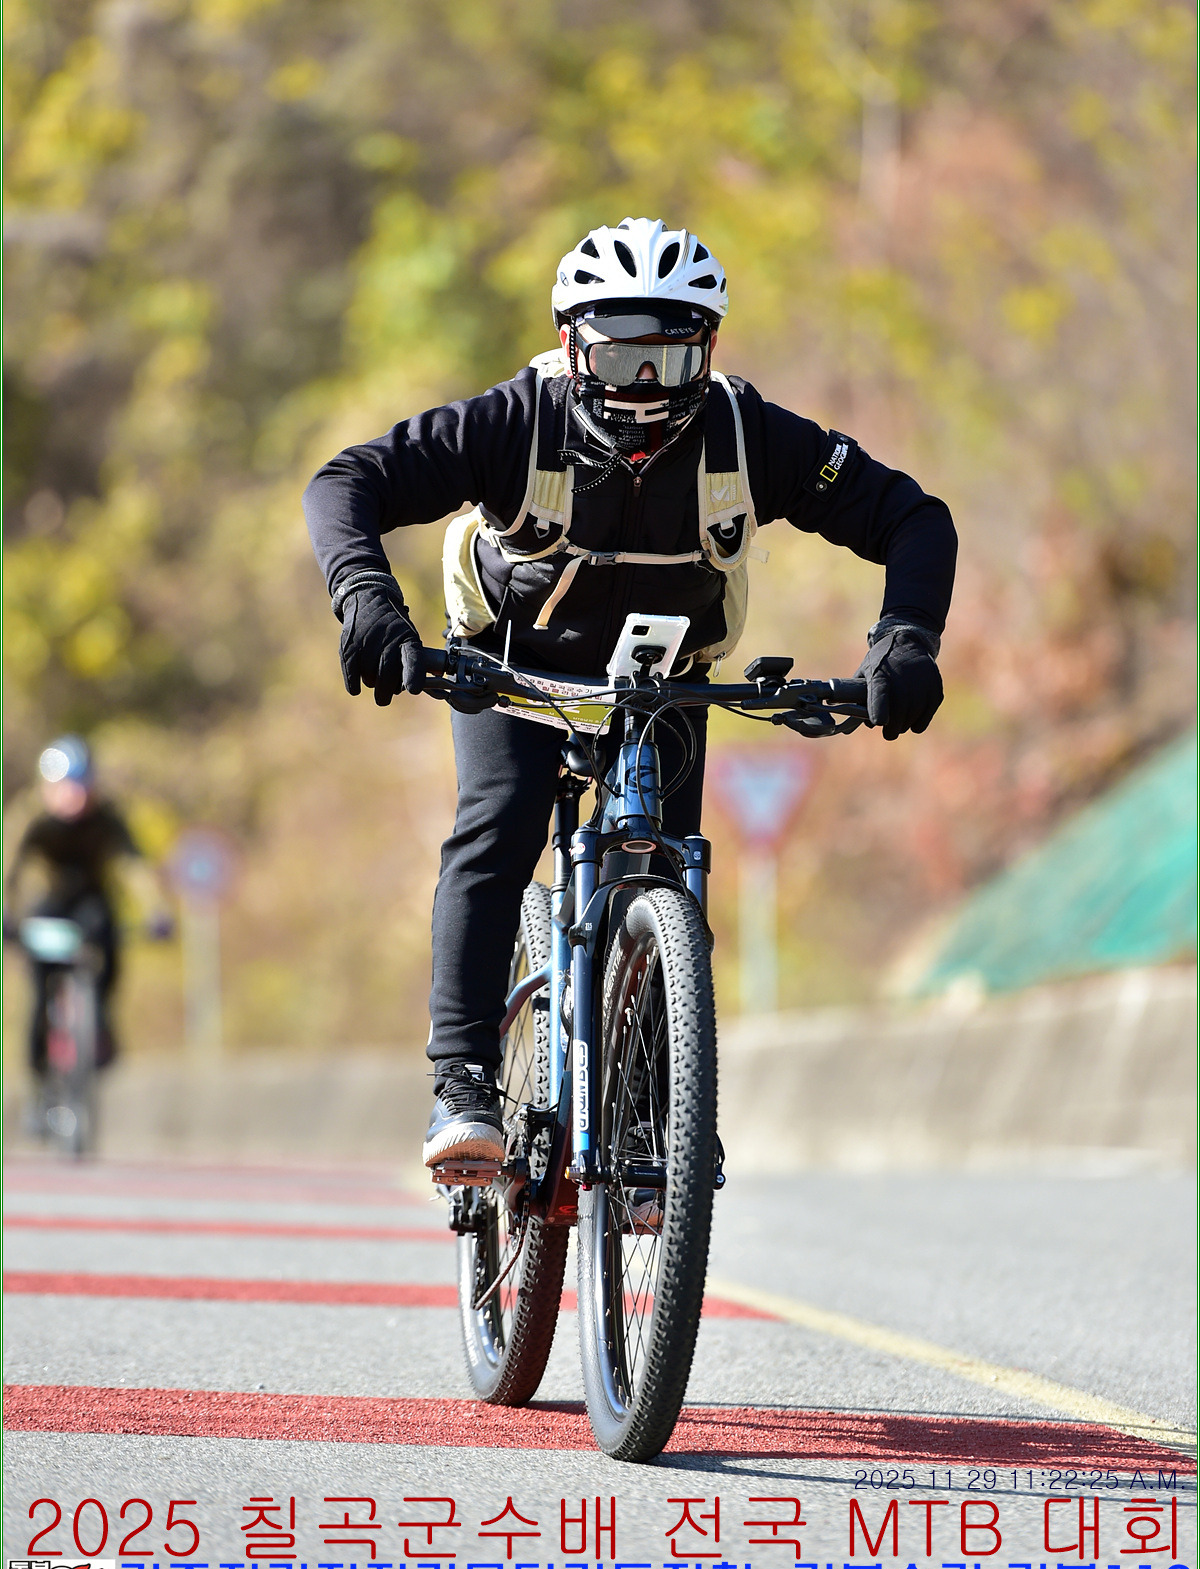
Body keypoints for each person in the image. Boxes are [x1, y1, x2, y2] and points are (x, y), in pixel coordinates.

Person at [303, 217, 957, 1172]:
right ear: (571, 344)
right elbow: (347, 481)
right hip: (515, 667)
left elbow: (913, 518)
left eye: (670, 357)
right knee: (500, 827)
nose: (642, 387)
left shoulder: (750, 435)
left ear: (710, 349)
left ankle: (655, 1123)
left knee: (666, 876)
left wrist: (906, 637)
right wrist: (367, 598)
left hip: (664, 682)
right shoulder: (514, 423)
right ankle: (464, 1087)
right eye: (617, 356)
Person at [4, 735, 172, 1076]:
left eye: (81, 786)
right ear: (47, 788)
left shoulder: (107, 817)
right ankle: (39, 1064)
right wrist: (7, 914)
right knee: (39, 985)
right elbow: (9, 866)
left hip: (92, 900)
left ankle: (99, 1027)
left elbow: (133, 864)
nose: (74, 797)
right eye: (65, 788)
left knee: (108, 950)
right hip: (48, 902)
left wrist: (156, 910)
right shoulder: (30, 817)